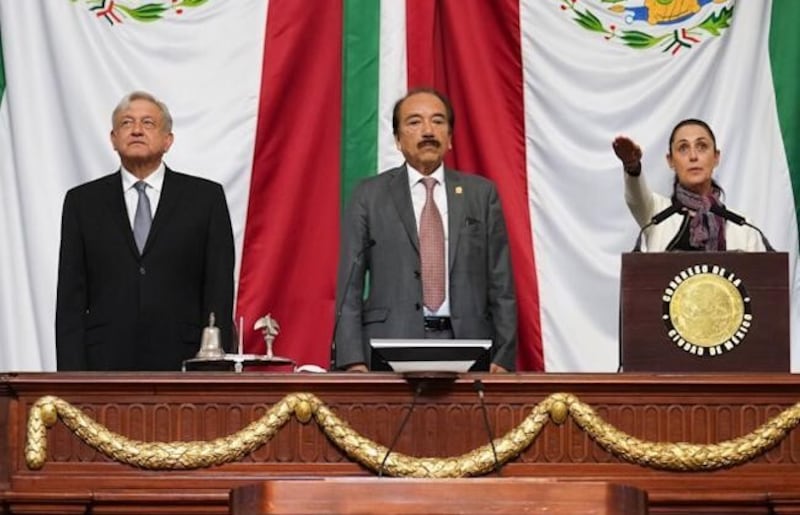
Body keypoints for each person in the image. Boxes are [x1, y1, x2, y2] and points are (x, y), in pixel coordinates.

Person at [333, 88, 517, 373]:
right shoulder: (368, 196)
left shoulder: (481, 194)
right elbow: (350, 285)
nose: (428, 130)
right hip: (389, 344)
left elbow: (501, 283)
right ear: (397, 139)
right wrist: (352, 359)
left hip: (470, 346)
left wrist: (503, 357)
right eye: (415, 122)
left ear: (451, 138)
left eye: (438, 121)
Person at [56, 91, 235, 371]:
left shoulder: (205, 199)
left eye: (148, 123)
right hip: (103, 365)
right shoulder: (83, 202)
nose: (137, 130)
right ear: (113, 139)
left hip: (185, 363)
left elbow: (219, 290)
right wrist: (70, 378)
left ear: (168, 140)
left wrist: (214, 371)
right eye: (127, 123)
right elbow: (70, 299)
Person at [613, 118, 765, 252]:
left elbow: (760, 281)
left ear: (716, 158)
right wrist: (632, 165)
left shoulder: (743, 227)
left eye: (702, 146)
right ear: (670, 161)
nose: (693, 156)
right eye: (683, 148)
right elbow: (636, 197)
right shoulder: (657, 214)